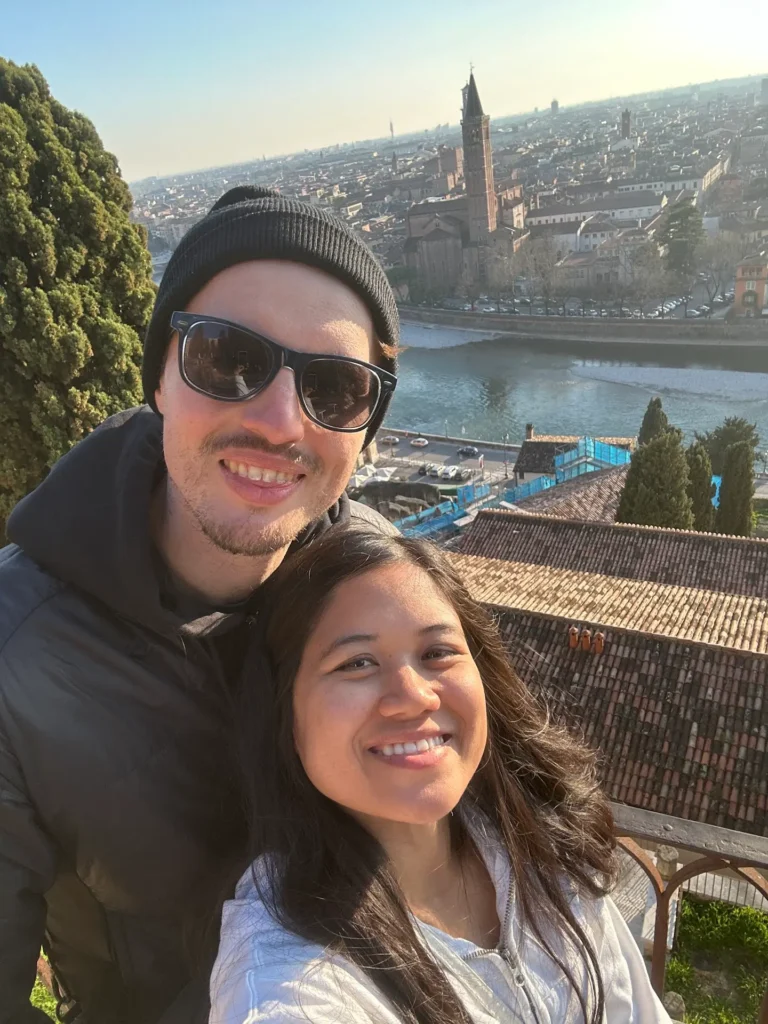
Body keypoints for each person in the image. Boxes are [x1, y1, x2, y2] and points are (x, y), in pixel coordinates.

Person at [0, 187, 399, 1023]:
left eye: (335, 387)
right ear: (159, 379)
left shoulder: (384, 589)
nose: (282, 422)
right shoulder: (16, 652)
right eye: (227, 358)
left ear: (366, 428)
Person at [211, 527, 672, 1024]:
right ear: (285, 716)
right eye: (357, 663)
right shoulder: (290, 983)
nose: (415, 695)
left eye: (437, 653)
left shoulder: (543, 844)